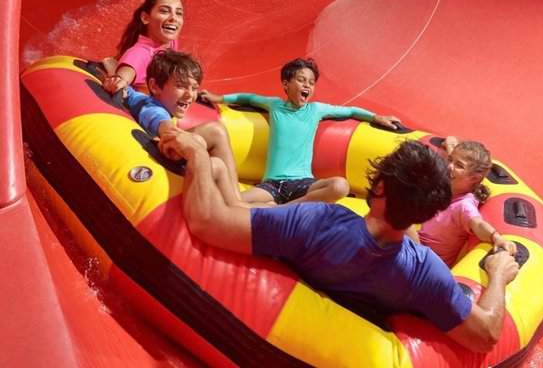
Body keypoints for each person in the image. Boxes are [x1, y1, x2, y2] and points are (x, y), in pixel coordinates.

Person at [159, 132, 519, 353]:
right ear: (426, 210)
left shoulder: (318, 221)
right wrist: (498, 273)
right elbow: (486, 335)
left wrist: (197, 154)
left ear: (378, 187)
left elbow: (207, 221)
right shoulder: (424, 272)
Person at [201, 57, 402, 205]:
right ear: (286, 84)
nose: (307, 85)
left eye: (311, 82)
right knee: (230, 201)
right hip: (271, 185)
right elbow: (248, 97)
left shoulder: (316, 110)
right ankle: (279, 208)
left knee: (340, 186)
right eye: (301, 80)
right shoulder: (275, 105)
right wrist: (220, 98)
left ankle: (284, 209)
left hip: (303, 184)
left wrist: (377, 117)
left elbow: (350, 110)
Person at [101, 0, 239, 200]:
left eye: (179, 13)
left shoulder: (167, 45)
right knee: (216, 132)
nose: (174, 18)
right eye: (165, 11)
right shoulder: (140, 53)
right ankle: (235, 199)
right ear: (146, 17)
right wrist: (115, 76)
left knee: (214, 142)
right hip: (152, 127)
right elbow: (124, 78)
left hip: (163, 113)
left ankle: (233, 196)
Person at [126, 48, 242, 207]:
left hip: (159, 148)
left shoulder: (141, 99)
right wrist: (192, 143)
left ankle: (236, 198)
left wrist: (117, 80)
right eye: (181, 86)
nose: (190, 95)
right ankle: (236, 202)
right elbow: (165, 128)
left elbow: (130, 94)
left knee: (214, 134)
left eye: (194, 88)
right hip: (160, 156)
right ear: (154, 86)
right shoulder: (153, 109)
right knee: (214, 133)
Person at [414, 139, 517, 267]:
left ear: (474, 178)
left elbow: (478, 223)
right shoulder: (449, 184)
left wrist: (496, 237)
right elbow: (453, 158)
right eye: (450, 160)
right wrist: (450, 144)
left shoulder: (463, 205)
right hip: (415, 249)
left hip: (425, 264)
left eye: (459, 165)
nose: (449, 166)